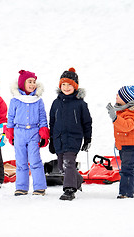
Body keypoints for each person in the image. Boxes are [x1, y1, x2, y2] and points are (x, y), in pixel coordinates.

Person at [49, 68, 92, 201]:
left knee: (69, 163)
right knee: (62, 166)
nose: (66, 87)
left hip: (73, 138)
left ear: (75, 86)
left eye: (69, 85)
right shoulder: (56, 103)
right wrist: (51, 139)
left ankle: (69, 190)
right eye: (63, 84)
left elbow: (87, 122)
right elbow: (52, 121)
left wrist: (87, 139)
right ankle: (77, 180)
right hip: (59, 139)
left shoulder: (80, 104)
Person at [6, 70, 50, 196]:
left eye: (34, 82)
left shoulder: (38, 100)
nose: (32, 84)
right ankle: (21, 187)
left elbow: (42, 117)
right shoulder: (15, 100)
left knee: (35, 160)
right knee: (21, 161)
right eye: (29, 82)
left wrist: (43, 132)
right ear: (22, 84)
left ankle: (39, 187)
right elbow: (10, 117)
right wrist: (10, 131)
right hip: (19, 132)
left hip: (33, 133)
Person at [106, 85, 134, 199]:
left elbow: (127, 126)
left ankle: (126, 193)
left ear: (126, 99)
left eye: (119, 95)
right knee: (133, 168)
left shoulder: (132, 113)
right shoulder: (123, 111)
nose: (116, 96)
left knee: (127, 170)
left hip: (131, 148)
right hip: (125, 147)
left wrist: (114, 118)